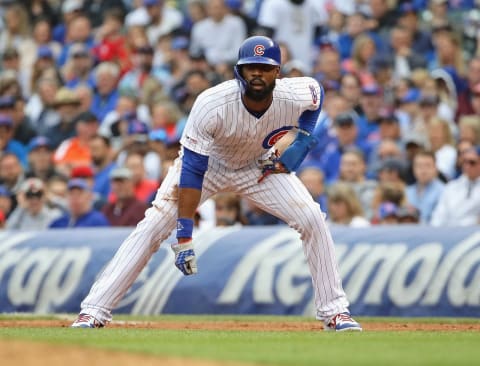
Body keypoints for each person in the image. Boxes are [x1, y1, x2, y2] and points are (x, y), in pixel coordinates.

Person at [71, 36, 362, 332]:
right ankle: (94, 311)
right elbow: (194, 170)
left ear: (277, 72)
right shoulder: (213, 103)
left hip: (257, 166)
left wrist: (302, 139)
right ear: (239, 71)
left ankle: (335, 312)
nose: (257, 73)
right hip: (209, 165)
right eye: (250, 67)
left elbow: (317, 95)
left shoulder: (296, 92)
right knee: (153, 226)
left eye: (265, 67)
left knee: (312, 218)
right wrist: (184, 234)